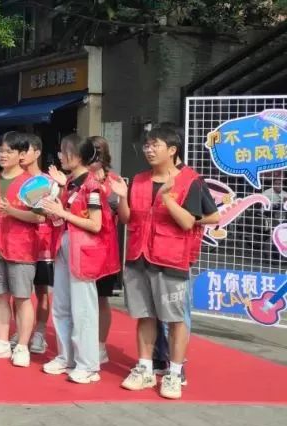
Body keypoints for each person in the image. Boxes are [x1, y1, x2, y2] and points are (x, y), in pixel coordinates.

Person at [115, 124, 217, 399]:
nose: (149, 150)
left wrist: (168, 199)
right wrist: (122, 197)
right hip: (138, 256)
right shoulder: (139, 180)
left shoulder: (190, 180)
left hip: (170, 258)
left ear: (172, 150)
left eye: (155, 145)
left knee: (175, 319)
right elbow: (126, 218)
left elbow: (187, 222)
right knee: (144, 315)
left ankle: (174, 372)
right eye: (147, 145)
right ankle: (145, 367)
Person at [38, 136, 119, 384]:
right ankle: (66, 356)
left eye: (64, 152)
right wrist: (56, 213)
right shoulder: (71, 183)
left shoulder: (92, 186)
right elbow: (64, 217)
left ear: (77, 155)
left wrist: (62, 213)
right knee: (62, 306)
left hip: (83, 253)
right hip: (65, 247)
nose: (60, 157)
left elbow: (95, 224)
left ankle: (88, 364)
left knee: (83, 309)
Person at [0, 131, 37, 367]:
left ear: (21, 154)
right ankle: (2, 342)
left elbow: (40, 217)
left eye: (9, 151)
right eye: (0, 150)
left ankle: (22, 346)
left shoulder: (32, 182)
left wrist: (12, 211)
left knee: (22, 298)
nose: (3, 155)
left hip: (21, 248)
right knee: (0, 297)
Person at [16, 133, 52, 356]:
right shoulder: (15, 178)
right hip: (18, 244)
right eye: (18, 151)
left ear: (37, 153)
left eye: (25, 151)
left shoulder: (46, 181)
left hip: (42, 244)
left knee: (41, 290)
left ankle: (39, 332)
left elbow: (42, 214)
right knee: (18, 291)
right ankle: (20, 330)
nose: (21, 155)